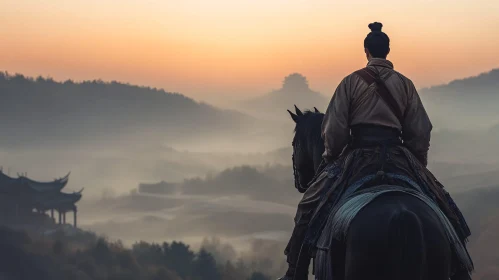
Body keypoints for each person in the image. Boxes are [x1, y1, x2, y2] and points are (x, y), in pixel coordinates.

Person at [279, 22, 472, 280]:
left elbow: (334, 130)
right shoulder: (406, 84)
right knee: (445, 206)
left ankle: (295, 272)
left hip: (358, 156)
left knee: (308, 207)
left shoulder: (350, 83)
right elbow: (420, 130)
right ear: (388, 51)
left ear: (366, 51)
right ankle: (460, 269)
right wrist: (415, 161)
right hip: (400, 155)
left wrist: (332, 158)